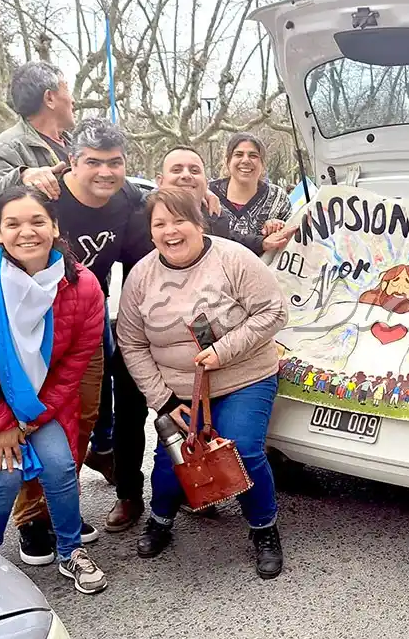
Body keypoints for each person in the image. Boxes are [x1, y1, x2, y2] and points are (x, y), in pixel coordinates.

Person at [0, 118, 153, 560]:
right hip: (30, 325)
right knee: (29, 420)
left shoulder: (126, 195)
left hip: (83, 322)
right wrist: (18, 176)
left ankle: (59, 506)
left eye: (115, 163)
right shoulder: (48, 195)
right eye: (93, 162)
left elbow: (160, 197)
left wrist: (199, 194)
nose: (105, 173)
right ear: (71, 161)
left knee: (82, 420)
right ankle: (32, 521)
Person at [0, 185, 108, 594]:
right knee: (7, 475)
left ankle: (70, 551)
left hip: (41, 404)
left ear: (54, 227)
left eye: (37, 221)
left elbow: (75, 363)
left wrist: (33, 417)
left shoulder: (82, 285)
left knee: (61, 465)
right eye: (12, 224)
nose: (25, 232)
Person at [116, 188, 288, 579]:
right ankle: (161, 520)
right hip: (178, 390)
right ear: (150, 232)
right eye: (160, 224)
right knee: (172, 460)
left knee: (242, 449)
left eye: (179, 220)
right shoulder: (141, 277)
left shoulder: (233, 259)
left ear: (199, 223)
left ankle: (264, 528)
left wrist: (223, 350)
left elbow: (274, 312)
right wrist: (161, 401)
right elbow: (131, 342)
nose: (170, 231)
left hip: (243, 376)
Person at [0, 61, 76, 212]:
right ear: (49, 98)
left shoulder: (77, 145)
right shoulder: (7, 147)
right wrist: (21, 176)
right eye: (67, 90)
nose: (73, 100)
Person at [159, 145, 295, 254]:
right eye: (176, 170)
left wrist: (263, 242)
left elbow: (226, 240)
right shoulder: (145, 214)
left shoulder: (215, 215)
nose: (186, 175)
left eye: (194, 171)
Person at [208, 132, 294, 245]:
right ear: (227, 161)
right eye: (238, 154)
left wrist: (279, 226)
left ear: (262, 164)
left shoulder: (277, 198)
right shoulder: (208, 194)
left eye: (253, 156)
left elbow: (292, 238)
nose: (245, 160)